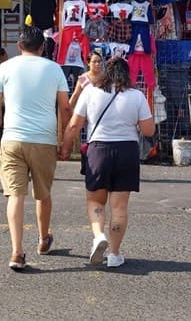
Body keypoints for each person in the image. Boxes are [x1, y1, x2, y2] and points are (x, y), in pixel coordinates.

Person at [0, 26, 71, 271]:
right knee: (43, 193)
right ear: (43, 47)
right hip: (44, 140)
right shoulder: (54, 69)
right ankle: (44, 240)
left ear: (19, 46)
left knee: (15, 195)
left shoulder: (5, 67)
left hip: (12, 139)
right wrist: (65, 140)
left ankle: (16, 252)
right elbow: (64, 108)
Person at [61, 57, 154, 268]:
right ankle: (114, 254)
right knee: (119, 207)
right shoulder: (136, 96)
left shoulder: (91, 92)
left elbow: (75, 126)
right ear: (127, 74)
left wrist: (65, 147)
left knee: (95, 201)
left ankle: (98, 236)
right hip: (127, 151)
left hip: (98, 151)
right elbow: (148, 130)